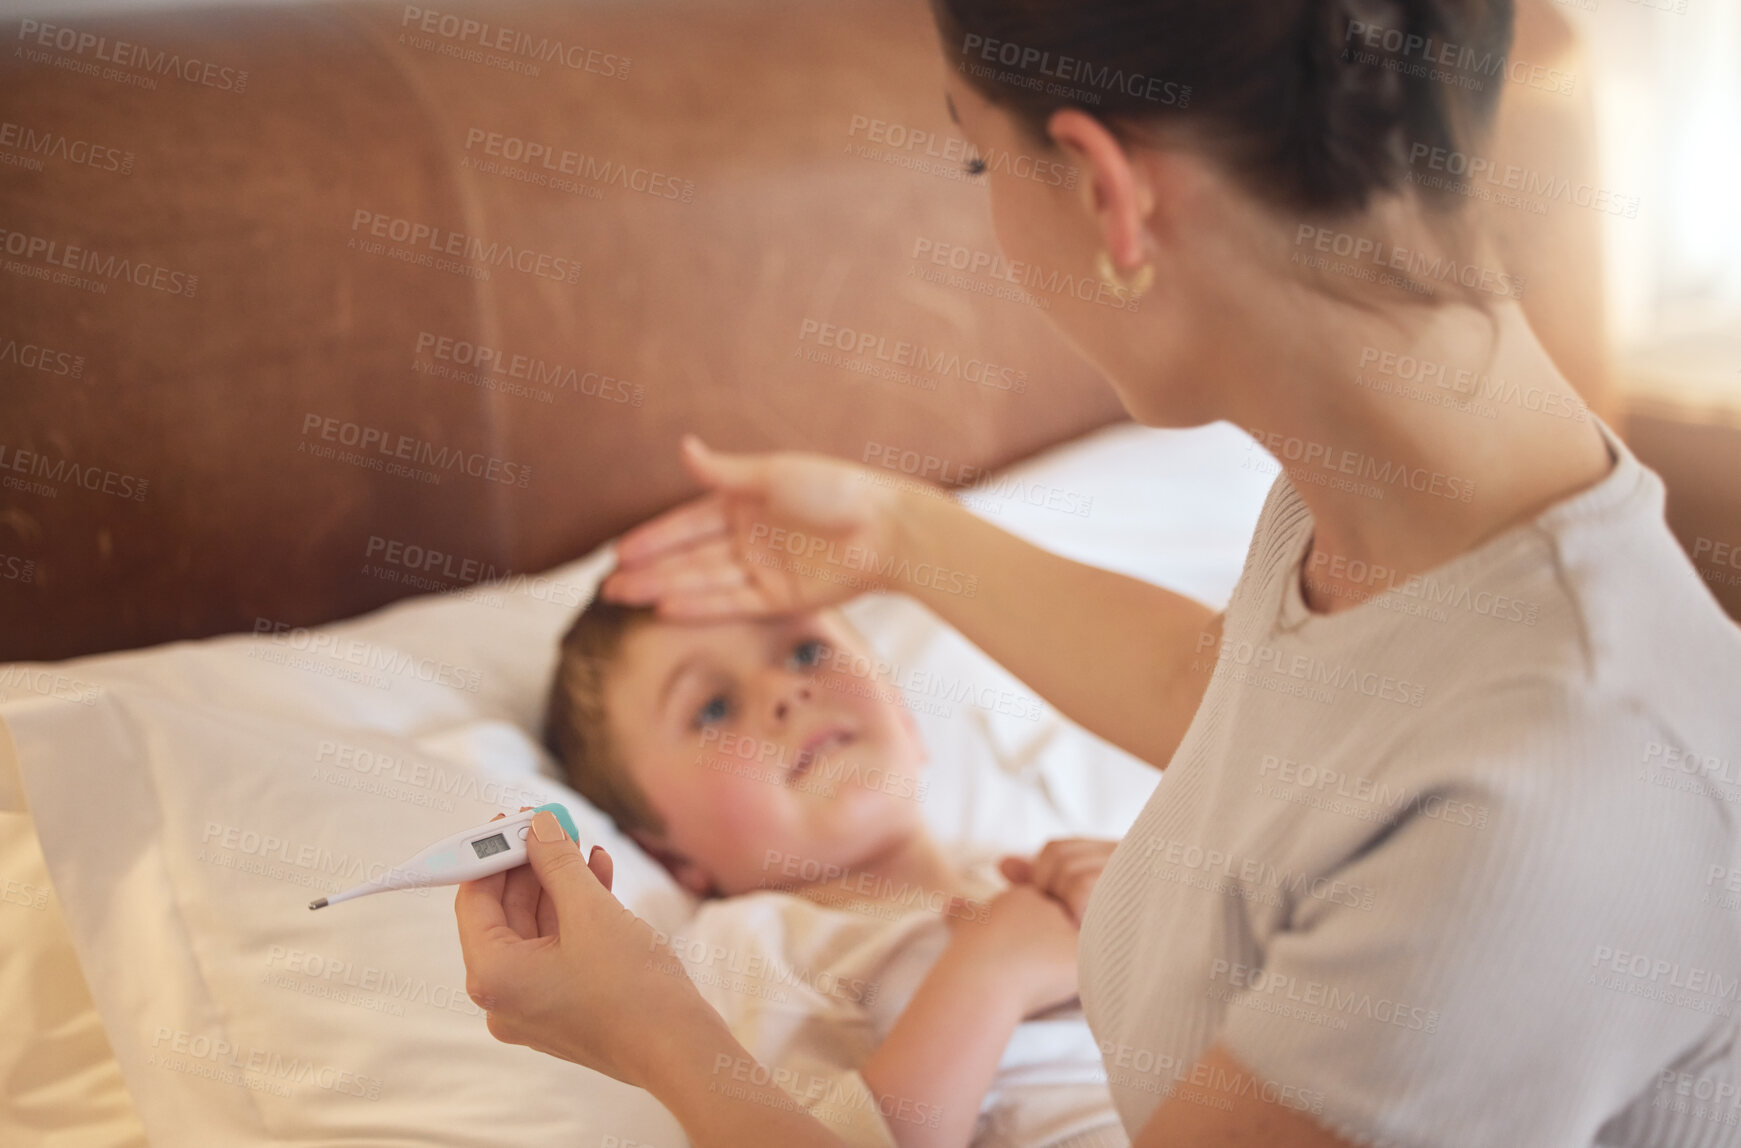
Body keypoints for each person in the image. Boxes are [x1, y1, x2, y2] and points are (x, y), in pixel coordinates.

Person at [455, 0, 1741, 1144]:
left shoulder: (1541, 808)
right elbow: (1238, 696)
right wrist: (898, 533)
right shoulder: (1377, 504)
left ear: (1106, 195)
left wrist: (648, 1030)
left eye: (976, 155)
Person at [535, 598, 1125, 1147]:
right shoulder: (747, 948)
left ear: (902, 712)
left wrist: (1142, 904)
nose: (786, 691)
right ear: (671, 858)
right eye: (713, 708)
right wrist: (990, 977)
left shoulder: (1013, 867)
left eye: (806, 652)